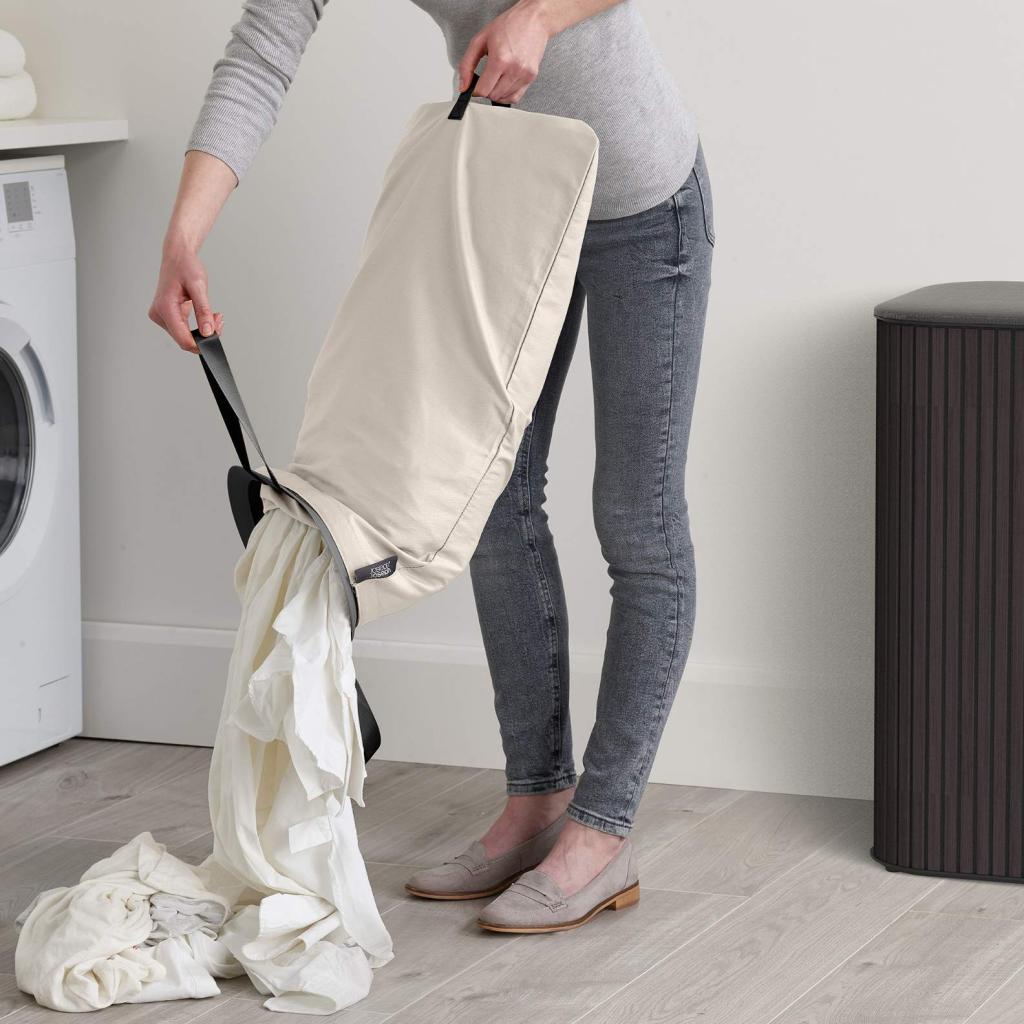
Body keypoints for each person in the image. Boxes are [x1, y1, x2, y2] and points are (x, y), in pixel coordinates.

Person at [150, 0, 714, 935]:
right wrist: (184, 235)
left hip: (639, 202)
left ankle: (603, 830)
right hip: (512, 204)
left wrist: (540, 15)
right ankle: (538, 798)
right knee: (494, 499)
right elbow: (261, 53)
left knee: (637, 517)